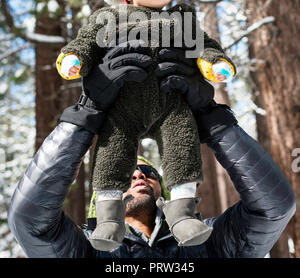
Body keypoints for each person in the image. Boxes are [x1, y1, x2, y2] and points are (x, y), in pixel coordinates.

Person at [8, 42, 296, 259]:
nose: (138, 177)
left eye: (147, 171)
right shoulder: (86, 249)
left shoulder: (207, 243)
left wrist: (214, 119)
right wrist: (86, 115)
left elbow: (273, 208)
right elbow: (29, 220)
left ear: (165, 189)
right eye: (127, 175)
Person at [55, 0, 236, 251]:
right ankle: (110, 219)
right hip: (123, 102)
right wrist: (74, 58)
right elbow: (84, 42)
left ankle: (181, 215)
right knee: (112, 153)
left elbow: (204, 45)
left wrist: (212, 62)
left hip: (170, 101)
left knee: (182, 146)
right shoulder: (109, 18)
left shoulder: (181, 20)